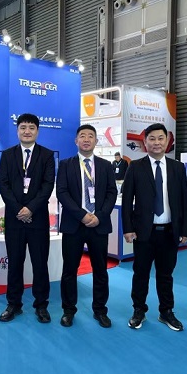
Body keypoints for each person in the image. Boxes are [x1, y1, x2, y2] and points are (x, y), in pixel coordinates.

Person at [121, 123, 187, 332]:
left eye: (161, 138)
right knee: (140, 274)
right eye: (152, 138)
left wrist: (185, 229)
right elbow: (127, 201)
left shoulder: (177, 167)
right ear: (145, 142)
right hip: (144, 232)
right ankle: (138, 310)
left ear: (167, 141)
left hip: (169, 232)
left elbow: (184, 200)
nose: (157, 142)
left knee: (166, 275)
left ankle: (166, 311)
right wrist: (127, 228)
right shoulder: (135, 166)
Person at [56, 125, 117, 328]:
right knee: (69, 270)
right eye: (82, 136)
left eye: (91, 136)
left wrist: (99, 215)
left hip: (99, 225)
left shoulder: (106, 165)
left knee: (100, 270)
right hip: (74, 224)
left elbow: (111, 193)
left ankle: (100, 310)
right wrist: (82, 215)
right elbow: (62, 192)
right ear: (76, 141)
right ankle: (68, 310)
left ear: (96, 141)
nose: (86, 139)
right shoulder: (66, 165)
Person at [0, 113, 56, 323]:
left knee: (40, 263)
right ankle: (13, 304)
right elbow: (3, 184)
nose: (27, 131)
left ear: (37, 131)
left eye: (31, 127)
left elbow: (47, 185)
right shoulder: (8, 154)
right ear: (17, 131)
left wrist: (30, 208)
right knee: (15, 263)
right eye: (23, 127)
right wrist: (19, 209)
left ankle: (41, 305)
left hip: (38, 218)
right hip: (14, 219)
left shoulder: (46, 155)